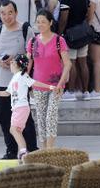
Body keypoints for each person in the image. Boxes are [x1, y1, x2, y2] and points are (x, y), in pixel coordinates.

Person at [0, 0, 37, 159]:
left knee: (24, 115)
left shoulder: (25, 29)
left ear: (15, 13)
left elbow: (32, 54)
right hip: (2, 80)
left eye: (10, 13)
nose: (6, 16)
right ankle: (11, 149)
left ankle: (32, 148)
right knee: (4, 116)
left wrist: (19, 61)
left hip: (20, 81)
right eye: (3, 13)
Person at [0, 54, 55, 160]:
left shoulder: (23, 76)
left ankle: (23, 152)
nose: (10, 64)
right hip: (16, 108)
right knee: (16, 130)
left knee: (14, 130)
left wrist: (49, 87)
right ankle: (23, 152)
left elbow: (35, 83)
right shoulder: (14, 78)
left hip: (21, 108)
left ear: (17, 65)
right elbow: (7, 93)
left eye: (12, 62)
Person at [26, 9, 70, 150]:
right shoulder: (32, 42)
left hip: (56, 86)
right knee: (41, 118)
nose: (40, 24)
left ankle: (50, 149)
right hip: (38, 85)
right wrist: (23, 81)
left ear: (50, 22)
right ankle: (43, 149)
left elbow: (68, 64)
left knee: (50, 116)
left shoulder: (59, 40)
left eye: (43, 22)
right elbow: (28, 64)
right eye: (38, 22)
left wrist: (61, 83)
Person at [57, 0, 89, 101]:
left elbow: (64, 19)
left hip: (70, 35)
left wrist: (59, 34)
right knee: (83, 63)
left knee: (71, 63)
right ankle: (85, 91)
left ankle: (71, 91)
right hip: (83, 33)